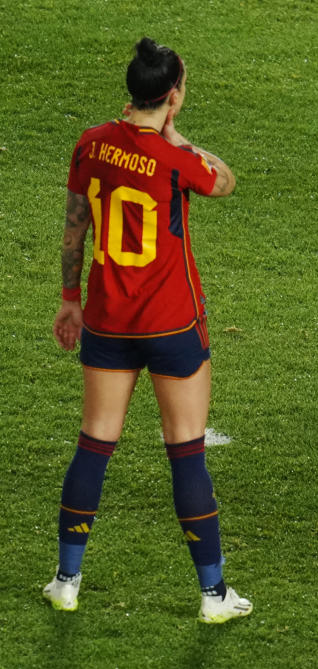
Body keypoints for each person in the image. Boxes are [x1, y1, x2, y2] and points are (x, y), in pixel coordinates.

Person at [44, 37, 251, 624]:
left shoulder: (90, 144)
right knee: (186, 453)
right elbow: (226, 181)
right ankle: (213, 597)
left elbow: (73, 230)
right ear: (174, 96)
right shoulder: (176, 159)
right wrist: (177, 136)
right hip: (172, 323)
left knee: (94, 443)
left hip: (107, 321)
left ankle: (66, 581)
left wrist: (68, 299)